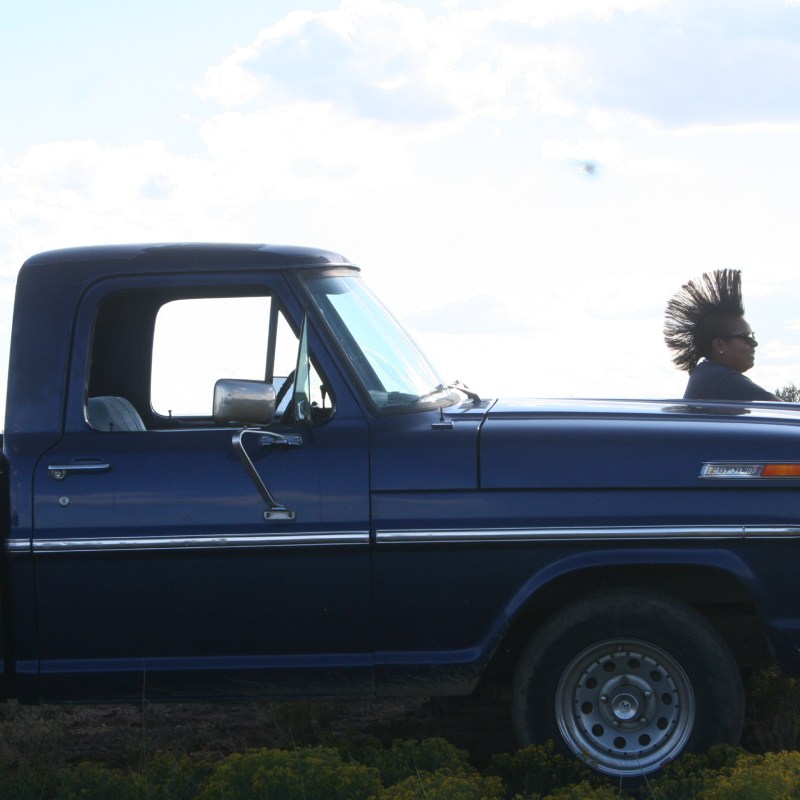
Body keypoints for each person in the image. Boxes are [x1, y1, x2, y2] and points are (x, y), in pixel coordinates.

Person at [664, 269, 779, 401]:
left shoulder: (707, 374)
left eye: (752, 336)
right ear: (720, 345)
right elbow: (787, 412)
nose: (753, 344)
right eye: (746, 337)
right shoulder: (722, 379)